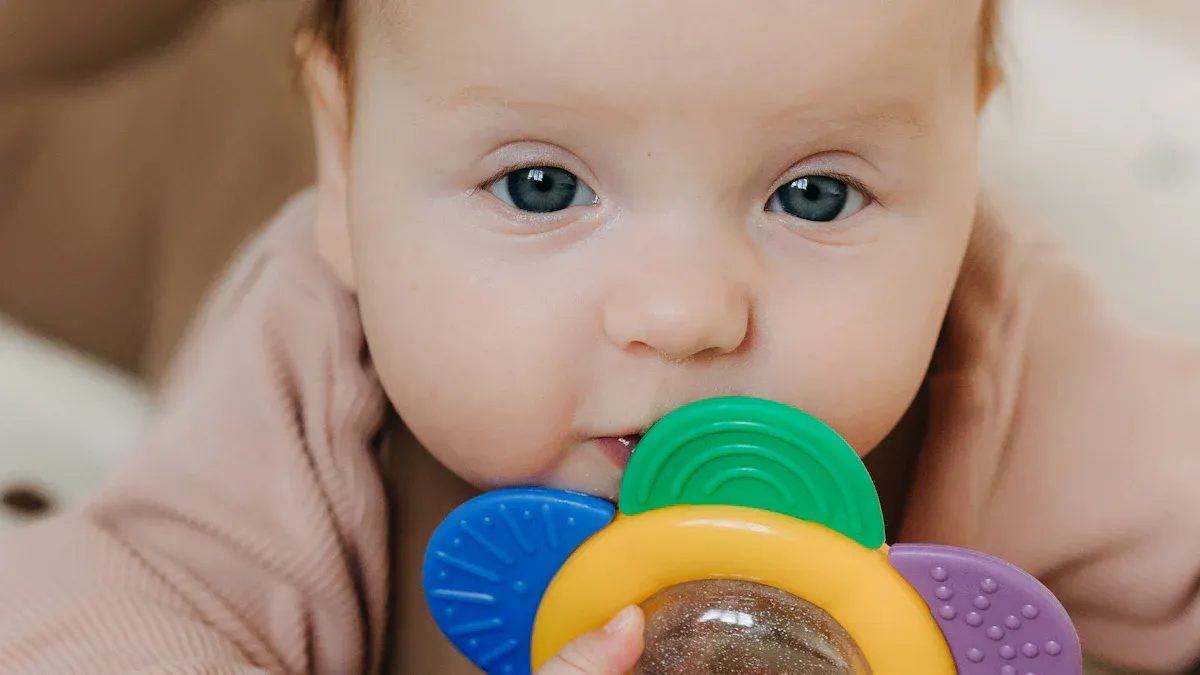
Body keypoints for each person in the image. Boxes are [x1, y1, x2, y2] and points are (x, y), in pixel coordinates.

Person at [1, 0, 1197, 673]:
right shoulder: (313, 362)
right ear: (345, 151)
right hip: (193, 161)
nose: (683, 316)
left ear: (959, 154)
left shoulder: (1000, 342)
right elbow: (100, 611)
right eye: (537, 188)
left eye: (816, 195)